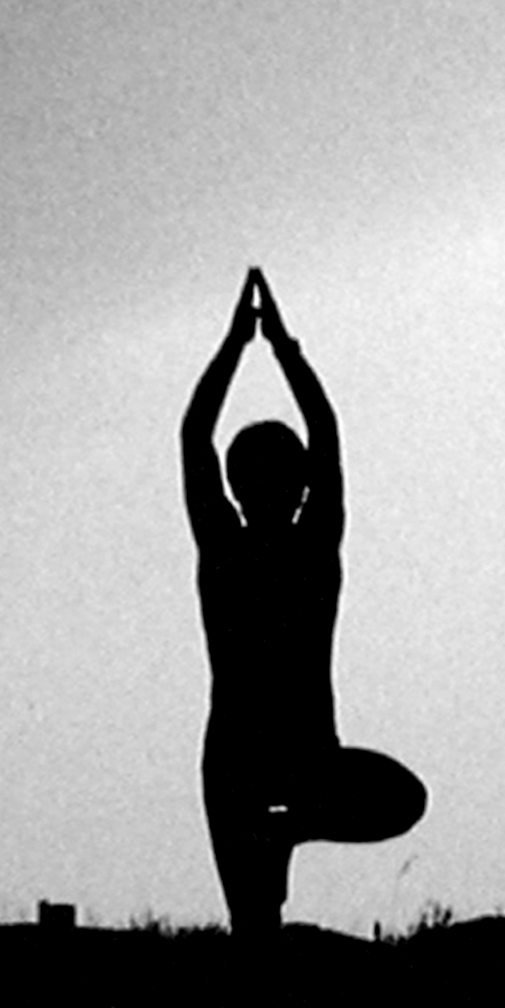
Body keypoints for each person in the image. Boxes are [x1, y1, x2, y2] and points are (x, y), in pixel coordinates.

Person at [177, 268, 426, 936]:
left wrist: (242, 346)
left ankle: (286, 830)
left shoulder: (254, 549)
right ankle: (283, 834)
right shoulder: (281, 548)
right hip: (255, 753)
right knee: (256, 921)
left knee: (398, 802)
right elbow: (321, 431)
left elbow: (197, 434)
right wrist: (279, 348)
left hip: (278, 754)